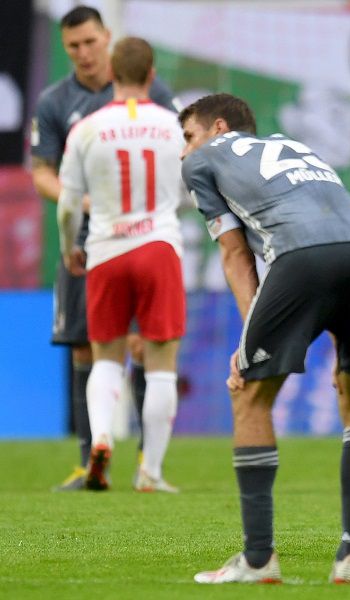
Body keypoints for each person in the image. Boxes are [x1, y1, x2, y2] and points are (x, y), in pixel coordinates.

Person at [179, 93, 350, 584]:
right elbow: (335, 218)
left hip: (303, 254)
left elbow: (236, 256)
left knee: (252, 397)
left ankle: (258, 560)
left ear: (217, 128)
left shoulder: (201, 163)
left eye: (188, 136)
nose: (183, 150)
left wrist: (246, 343)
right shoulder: (296, 147)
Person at [31, 5, 178, 491]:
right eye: (73, 45)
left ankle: (106, 444)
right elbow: (41, 172)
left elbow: (66, 199)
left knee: (105, 352)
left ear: (109, 46)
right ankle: (140, 469)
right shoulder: (60, 102)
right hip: (156, 243)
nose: (83, 53)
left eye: (91, 42)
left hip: (102, 246)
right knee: (143, 358)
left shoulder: (91, 125)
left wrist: (72, 236)